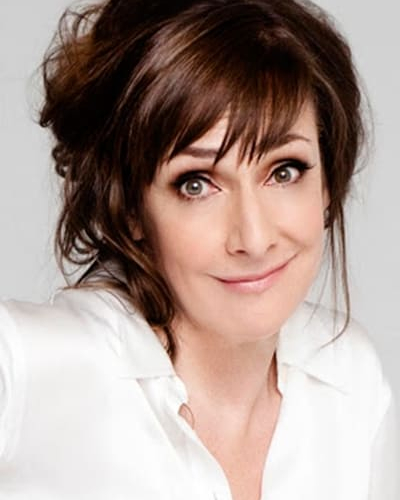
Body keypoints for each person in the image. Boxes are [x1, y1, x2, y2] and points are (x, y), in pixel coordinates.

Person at [0, 0, 398, 498]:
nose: (254, 238)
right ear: (130, 207)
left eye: (284, 171)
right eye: (196, 184)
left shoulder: (348, 378)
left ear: (327, 184)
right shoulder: (32, 362)